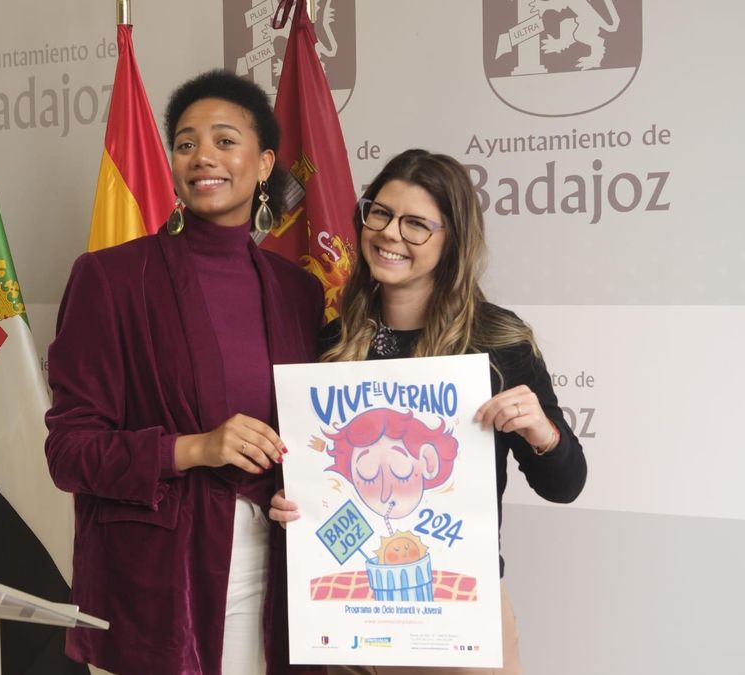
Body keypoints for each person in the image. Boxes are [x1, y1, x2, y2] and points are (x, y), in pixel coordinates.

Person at [44, 69, 324, 675]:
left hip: (277, 574)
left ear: (265, 161)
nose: (204, 158)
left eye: (225, 141)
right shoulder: (111, 278)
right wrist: (195, 448)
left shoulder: (299, 291)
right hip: (154, 589)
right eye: (187, 142)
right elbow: (68, 451)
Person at [270, 149, 588, 675]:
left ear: (452, 242)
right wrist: (292, 501)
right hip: (349, 624)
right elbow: (318, 482)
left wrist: (542, 432)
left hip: (457, 625)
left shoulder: (496, 341)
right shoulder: (330, 342)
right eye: (380, 213)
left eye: (416, 224)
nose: (391, 233)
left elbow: (566, 484)